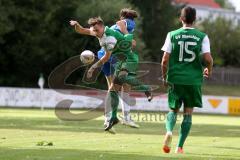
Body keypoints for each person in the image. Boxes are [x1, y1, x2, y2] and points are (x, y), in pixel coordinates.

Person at [70, 17, 152, 131]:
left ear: (102, 27)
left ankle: (145, 89)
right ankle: (112, 118)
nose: (95, 32)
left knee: (121, 84)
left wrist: (93, 67)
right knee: (113, 88)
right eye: (94, 30)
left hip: (127, 59)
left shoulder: (110, 38)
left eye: (97, 30)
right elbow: (82, 30)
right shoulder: (99, 32)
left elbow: (107, 57)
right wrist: (76, 24)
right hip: (119, 59)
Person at [161, 6, 213, 154]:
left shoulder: (172, 35)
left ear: (181, 19)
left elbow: (164, 60)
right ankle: (179, 147)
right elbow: (208, 59)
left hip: (175, 79)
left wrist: (165, 78)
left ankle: (169, 130)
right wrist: (209, 69)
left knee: (173, 110)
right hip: (193, 80)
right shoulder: (202, 36)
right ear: (194, 19)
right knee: (188, 113)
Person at [97, 8, 140, 129]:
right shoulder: (128, 22)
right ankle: (126, 117)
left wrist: (129, 40)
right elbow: (120, 24)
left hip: (104, 54)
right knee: (126, 86)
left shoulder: (112, 28)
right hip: (114, 56)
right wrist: (128, 35)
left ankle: (107, 119)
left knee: (111, 88)